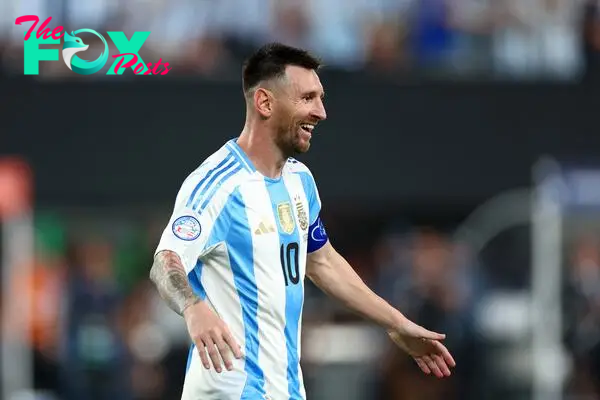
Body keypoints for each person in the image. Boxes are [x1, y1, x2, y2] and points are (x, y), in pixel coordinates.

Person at [149, 42, 456, 400]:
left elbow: (322, 262)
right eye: (307, 98)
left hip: (286, 389)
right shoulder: (219, 184)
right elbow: (165, 262)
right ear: (265, 102)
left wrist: (396, 323)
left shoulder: (300, 181)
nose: (321, 112)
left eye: (320, 98)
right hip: (230, 390)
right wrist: (194, 308)